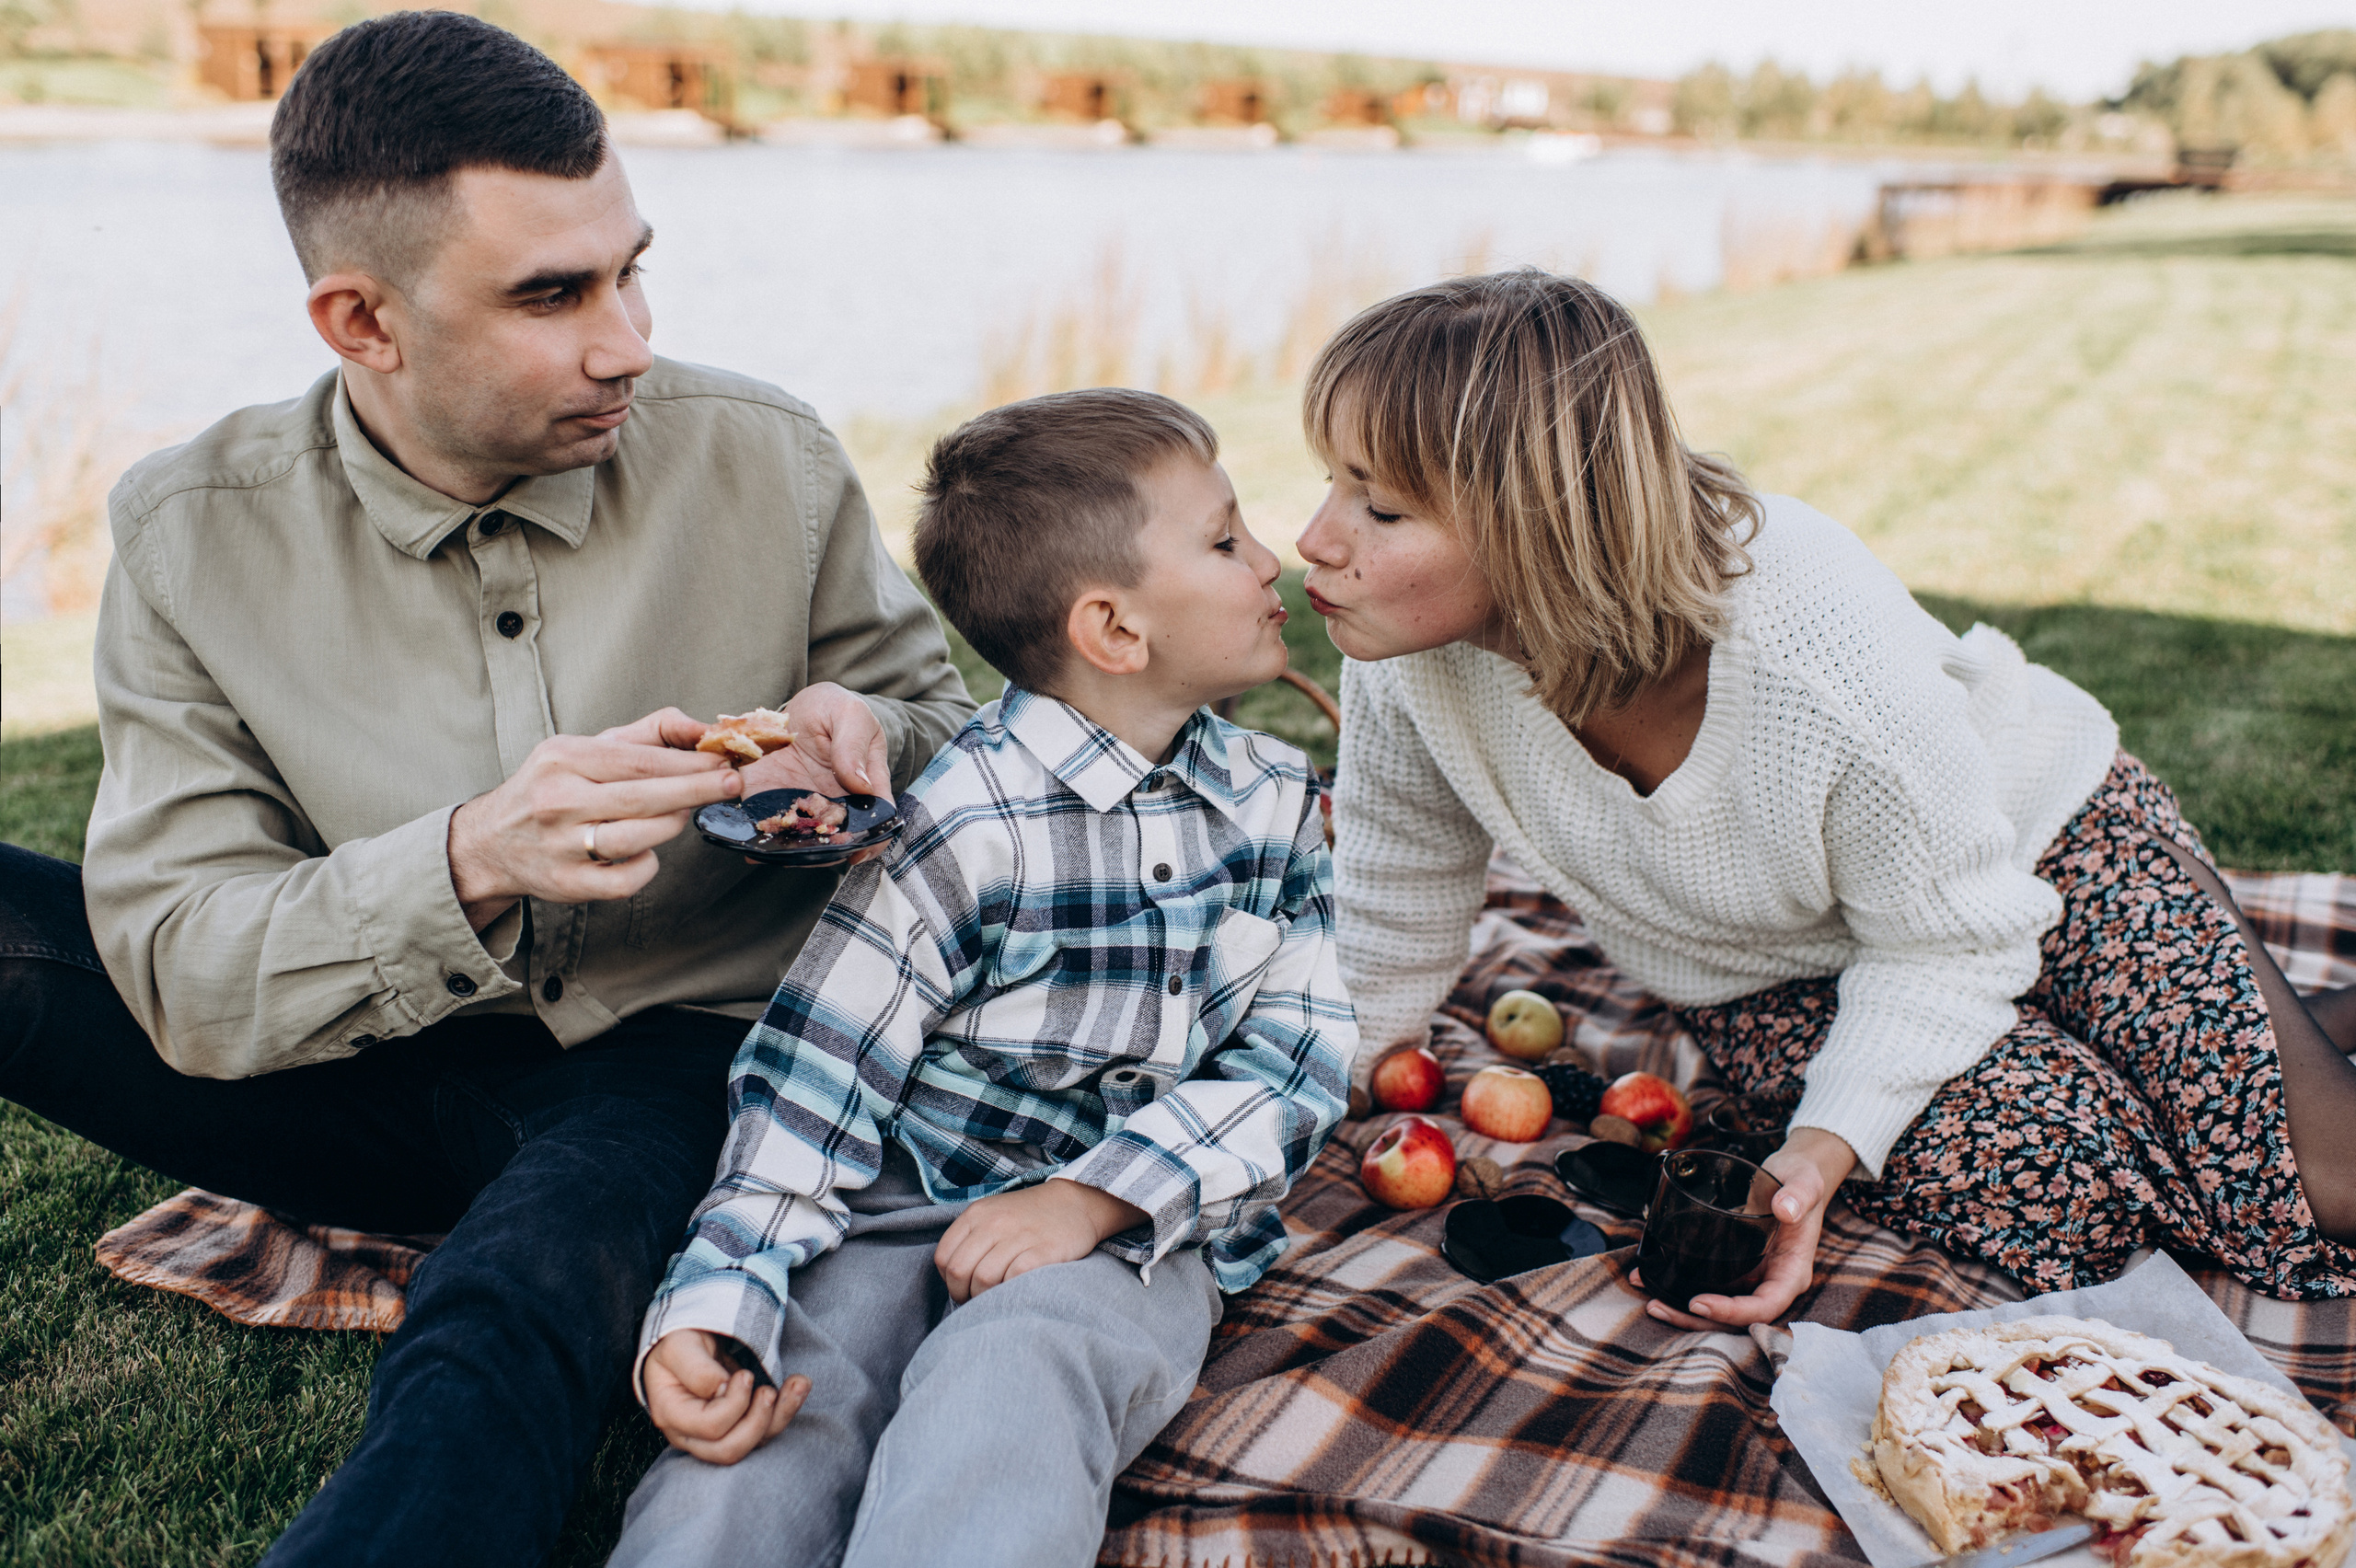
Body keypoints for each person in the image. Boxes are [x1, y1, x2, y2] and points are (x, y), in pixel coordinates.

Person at [0, 13, 972, 1565]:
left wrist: (868, 728)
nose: (628, 340)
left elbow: (941, 731)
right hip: (350, 1062)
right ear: (361, 322)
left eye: (630, 267)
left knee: (513, 1296)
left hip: (678, 1070)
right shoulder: (188, 531)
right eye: (552, 294)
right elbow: (180, 964)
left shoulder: (768, 459)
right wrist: (466, 857)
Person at [1299, 268, 2356, 1327]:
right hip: (1766, 970)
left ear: (1539, 521)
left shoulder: (1804, 638)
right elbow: (1395, 890)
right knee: (2059, 1187)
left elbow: (1948, 937)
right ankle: (2221, 1043)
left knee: (2325, 1182)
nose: (1315, 539)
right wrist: (1299, 1092)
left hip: (2029, 847)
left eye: (1379, 506)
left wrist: (1829, 1130)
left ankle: (2234, 1049)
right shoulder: (1403, 661)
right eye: (1332, 484)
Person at [608, 388, 1355, 1568]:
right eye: (1224, 541)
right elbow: (814, 1080)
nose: (1271, 560)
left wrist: (1092, 1199)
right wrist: (716, 1302)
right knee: (787, 1402)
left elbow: (1296, 1062)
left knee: (1015, 1374)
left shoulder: (1272, 803)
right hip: (901, 1204)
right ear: (1114, 630)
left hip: (1135, 1232)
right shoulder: (957, 827)